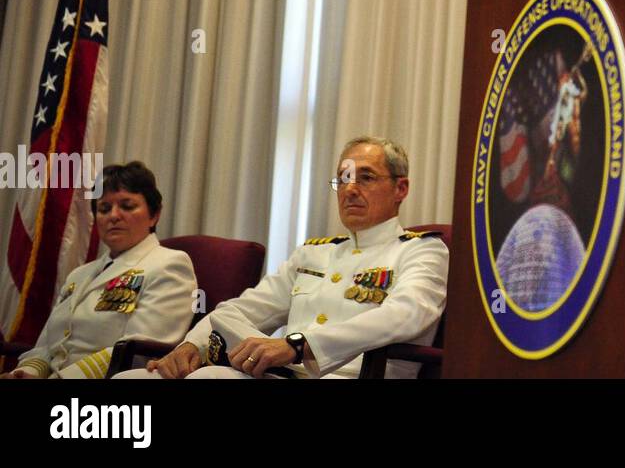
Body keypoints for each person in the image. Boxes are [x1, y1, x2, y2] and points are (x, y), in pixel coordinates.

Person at [117, 137, 447, 379]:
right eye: (343, 179)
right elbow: (242, 308)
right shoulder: (315, 253)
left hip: (354, 376)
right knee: (130, 379)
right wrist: (192, 347)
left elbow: (405, 315)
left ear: (401, 188)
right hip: (286, 373)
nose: (350, 189)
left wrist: (299, 344)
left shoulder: (422, 250)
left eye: (367, 177)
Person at [2, 161, 196, 379]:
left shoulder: (170, 264)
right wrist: (27, 373)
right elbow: (46, 345)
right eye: (104, 209)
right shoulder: (79, 274)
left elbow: (138, 351)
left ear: (154, 215)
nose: (113, 215)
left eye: (127, 206)